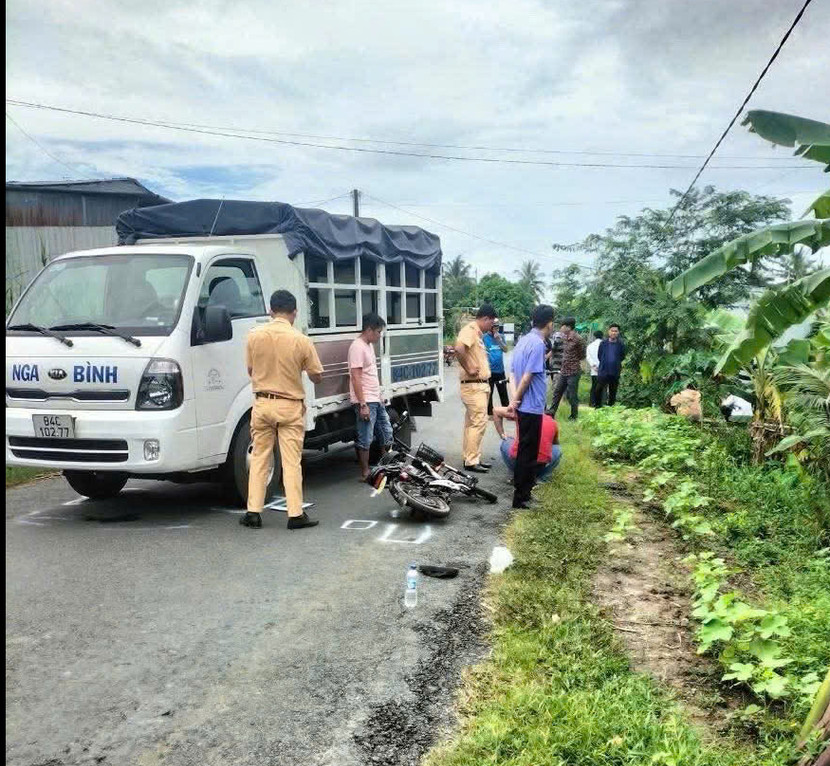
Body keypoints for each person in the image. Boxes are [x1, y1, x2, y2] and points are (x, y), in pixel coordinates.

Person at [241, 289, 324, 530]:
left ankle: (253, 512)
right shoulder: (301, 340)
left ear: (270, 310)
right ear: (294, 313)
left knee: (259, 459)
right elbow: (317, 375)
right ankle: (295, 514)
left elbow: (250, 370)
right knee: (291, 462)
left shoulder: (254, 336)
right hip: (289, 406)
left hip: (262, 403)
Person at [508, 304, 554, 509]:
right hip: (531, 407)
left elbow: (512, 374)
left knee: (527, 452)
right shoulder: (537, 344)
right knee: (528, 454)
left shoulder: (522, 341)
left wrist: (513, 400)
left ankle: (524, 494)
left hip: (522, 405)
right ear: (550, 323)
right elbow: (526, 377)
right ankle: (520, 497)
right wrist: (516, 400)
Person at [349, 312, 393, 480]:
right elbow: (356, 376)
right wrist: (362, 404)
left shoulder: (368, 345)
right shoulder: (357, 347)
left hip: (375, 398)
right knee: (365, 436)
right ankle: (365, 472)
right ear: (369, 329)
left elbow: (371, 373)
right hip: (365, 400)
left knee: (386, 431)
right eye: (378, 332)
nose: (379, 335)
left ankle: (385, 466)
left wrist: (379, 394)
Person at [455, 304, 497, 472]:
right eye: (491, 322)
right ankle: (472, 460)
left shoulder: (477, 334)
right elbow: (459, 348)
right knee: (479, 422)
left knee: (471, 424)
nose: (491, 326)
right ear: (485, 318)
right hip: (474, 386)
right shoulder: (470, 330)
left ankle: (470, 457)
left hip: (477, 386)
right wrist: (469, 369)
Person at [493, 405, 561, 482]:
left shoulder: (523, 414)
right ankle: (540, 478)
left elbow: (496, 410)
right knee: (557, 449)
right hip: (539, 465)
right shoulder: (553, 422)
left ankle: (516, 474)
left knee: (506, 442)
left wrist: (502, 434)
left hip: (519, 462)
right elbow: (555, 443)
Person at [548, 317, 586, 421]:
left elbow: (582, 355)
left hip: (573, 371)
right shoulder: (564, 337)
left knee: (572, 395)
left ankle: (574, 416)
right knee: (557, 391)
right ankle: (551, 412)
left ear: (568, 327)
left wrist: (573, 361)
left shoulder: (578, 339)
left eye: (562, 326)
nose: (561, 328)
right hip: (564, 370)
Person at [596, 324, 626, 407]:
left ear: (618, 332)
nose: (613, 333)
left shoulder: (621, 344)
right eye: (612, 331)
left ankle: (611, 407)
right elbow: (599, 355)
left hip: (615, 371)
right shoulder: (603, 343)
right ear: (609, 332)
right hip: (604, 370)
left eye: (615, 331)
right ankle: (598, 406)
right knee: (599, 389)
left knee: (613, 390)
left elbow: (622, 356)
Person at [484, 318, 509, 416]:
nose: (496, 329)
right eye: (494, 327)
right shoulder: (485, 337)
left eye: (498, 327)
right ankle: (490, 413)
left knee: (503, 392)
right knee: (489, 393)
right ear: (490, 327)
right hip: (489, 370)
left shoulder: (501, 336)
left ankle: (507, 411)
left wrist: (499, 340)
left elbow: (506, 349)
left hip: (500, 370)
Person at [586, 330, 604, 407]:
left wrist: (593, 365)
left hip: (594, 369)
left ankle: (592, 402)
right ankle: (601, 402)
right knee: (602, 386)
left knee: (594, 386)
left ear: (594, 336)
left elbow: (588, 357)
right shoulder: (605, 344)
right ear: (602, 336)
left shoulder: (590, 346)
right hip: (603, 368)